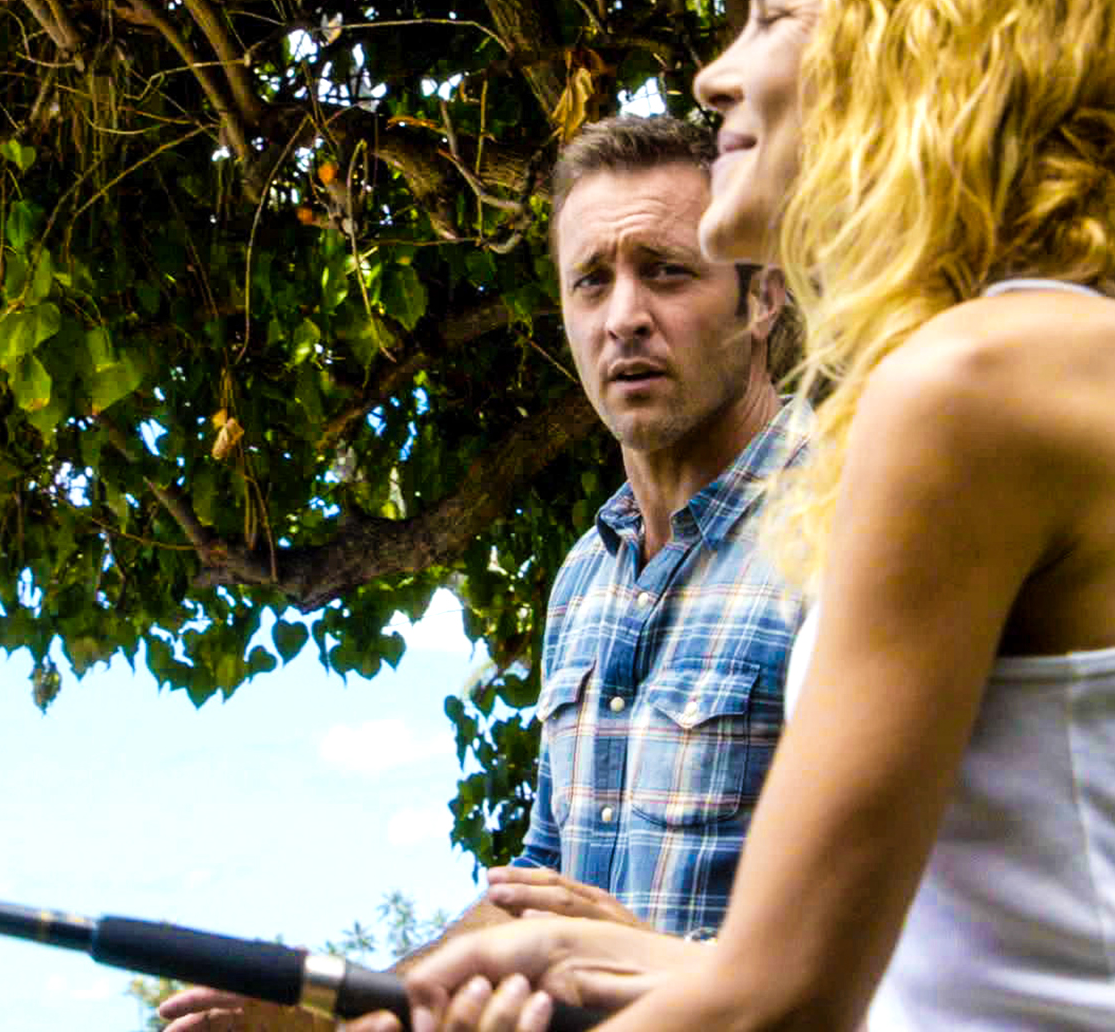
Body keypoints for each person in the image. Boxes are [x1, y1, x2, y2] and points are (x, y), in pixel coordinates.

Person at [347, 0, 1115, 1030]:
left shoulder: (980, 379)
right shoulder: (1012, 358)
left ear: (917, 48)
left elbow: (778, 1002)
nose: (714, 77)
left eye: (774, 16)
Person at [159, 116, 809, 1032]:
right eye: (591, 280)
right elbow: (536, 895)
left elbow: (936, 931)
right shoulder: (586, 578)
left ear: (763, 297)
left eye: (667, 270)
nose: (623, 315)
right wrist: (332, 1009)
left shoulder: (852, 532)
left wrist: (658, 970)